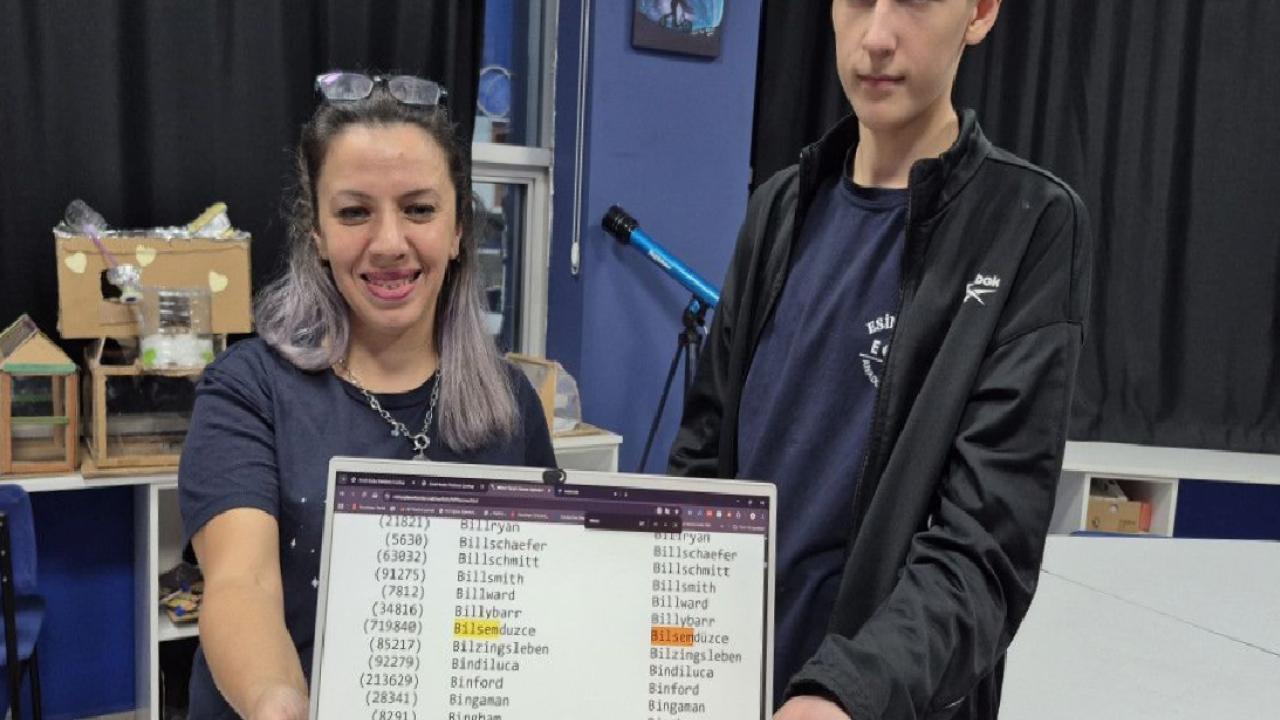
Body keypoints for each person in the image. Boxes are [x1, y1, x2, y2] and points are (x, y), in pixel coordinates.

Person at [668, 1, 1091, 718]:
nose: (876, 38)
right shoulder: (778, 209)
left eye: (914, 3)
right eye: (858, 1)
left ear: (980, 12)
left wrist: (845, 691)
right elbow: (703, 462)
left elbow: (985, 546)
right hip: (734, 690)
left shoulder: (1029, 225)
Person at [179, 72, 556, 719]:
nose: (388, 244)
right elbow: (243, 582)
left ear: (458, 230)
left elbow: (539, 593)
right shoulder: (248, 391)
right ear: (318, 236)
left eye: (419, 209)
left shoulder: (510, 401)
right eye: (354, 212)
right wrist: (277, 701)